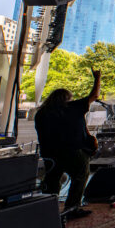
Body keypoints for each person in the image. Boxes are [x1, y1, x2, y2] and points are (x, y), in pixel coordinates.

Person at [35, 69, 102, 217]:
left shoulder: (41, 113)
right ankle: (72, 207)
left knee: (52, 179)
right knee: (80, 176)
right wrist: (97, 78)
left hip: (50, 153)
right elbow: (94, 95)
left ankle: (46, 208)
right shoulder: (72, 108)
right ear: (66, 99)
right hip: (73, 151)